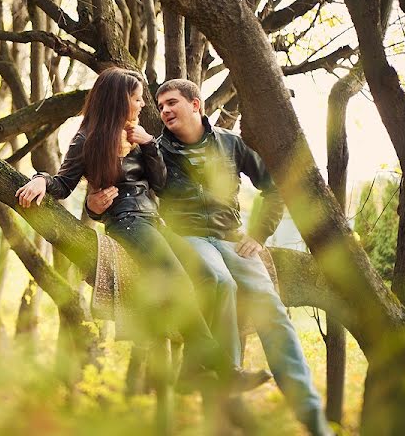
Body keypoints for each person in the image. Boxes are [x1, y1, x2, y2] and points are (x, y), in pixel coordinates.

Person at [16, 68, 270, 392]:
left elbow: (160, 183)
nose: (140, 105)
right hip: (127, 223)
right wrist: (39, 178)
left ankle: (191, 369)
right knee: (177, 278)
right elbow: (63, 183)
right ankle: (224, 367)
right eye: (135, 99)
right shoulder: (87, 139)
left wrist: (149, 146)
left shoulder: (137, 136)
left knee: (207, 276)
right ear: (119, 100)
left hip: (154, 221)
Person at [130, 78, 329, 436]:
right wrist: (98, 205)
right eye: (161, 107)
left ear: (196, 105)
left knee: (273, 310)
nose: (165, 111)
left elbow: (275, 187)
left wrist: (259, 233)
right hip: (186, 237)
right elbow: (125, 185)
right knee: (218, 280)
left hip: (232, 236)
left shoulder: (231, 144)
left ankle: (312, 417)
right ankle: (229, 375)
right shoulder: (155, 150)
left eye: (172, 102)